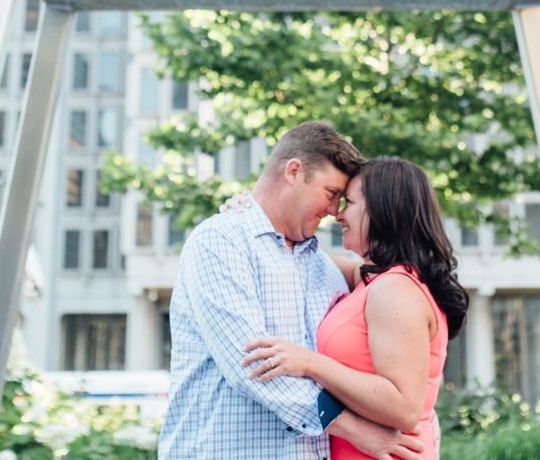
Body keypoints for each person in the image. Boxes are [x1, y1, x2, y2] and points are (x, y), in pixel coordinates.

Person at [159, 121, 426, 460]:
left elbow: (402, 280)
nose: (334, 212)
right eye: (331, 194)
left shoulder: (322, 265)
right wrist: (358, 430)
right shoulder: (220, 240)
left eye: (342, 201)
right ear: (294, 172)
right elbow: (253, 367)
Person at [240, 157, 467, 460]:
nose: (338, 214)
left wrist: (310, 363)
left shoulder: (394, 289)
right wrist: (256, 213)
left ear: (383, 210)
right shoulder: (375, 281)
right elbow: (296, 255)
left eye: (349, 203)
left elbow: (403, 406)